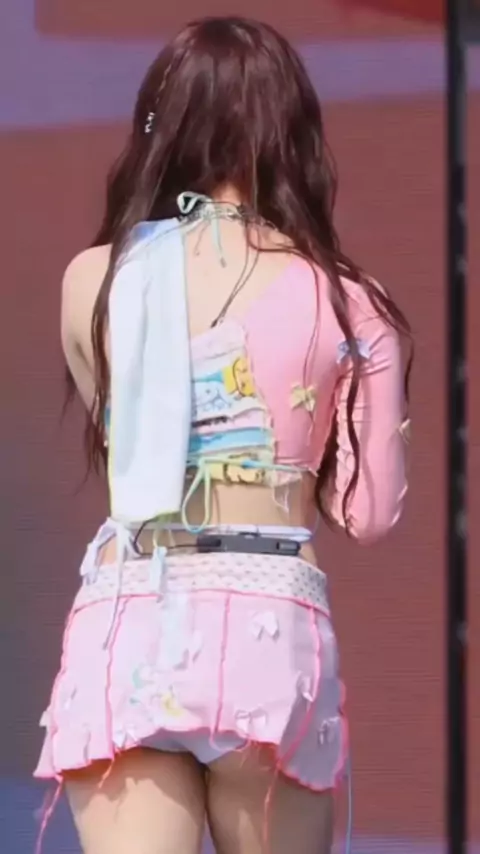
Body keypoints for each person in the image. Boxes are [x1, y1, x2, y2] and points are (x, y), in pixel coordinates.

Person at [34, 15, 411, 854]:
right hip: (267, 627)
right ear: (295, 131)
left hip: (133, 612)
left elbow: (125, 449)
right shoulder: (352, 301)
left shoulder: (96, 278)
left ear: (161, 125)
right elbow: (370, 513)